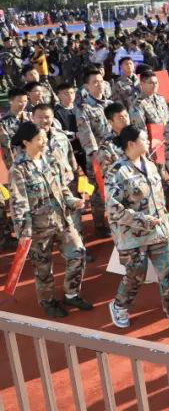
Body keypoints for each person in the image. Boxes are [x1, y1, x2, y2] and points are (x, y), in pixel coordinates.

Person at [105, 126, 169, 332]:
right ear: (131, 144)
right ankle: (119, 306)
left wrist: (165, 224)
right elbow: (113, 209)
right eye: (144, 139)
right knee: (136, 274)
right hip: (133, 235)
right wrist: (142, 220)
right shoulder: (117, 172)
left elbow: (159, 200)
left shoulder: (151, 165)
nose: (148, 142)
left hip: (159, 232)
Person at [8, 121, 90, 318]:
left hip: (62, 220)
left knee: (78, 254)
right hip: (38, 229)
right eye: (39, 139)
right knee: (44, 269)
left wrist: (72, 201)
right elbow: (19, 203)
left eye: (44, 137)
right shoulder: (18, 169)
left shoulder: (50, 160)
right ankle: (48, 301)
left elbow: (60, 188)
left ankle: (71, 293)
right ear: (26, 142)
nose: (44, 141)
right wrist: (24, 233)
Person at [74, 68, 111, 234]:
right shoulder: (84, 108)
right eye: (94, 82)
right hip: (96, 157)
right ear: (87, 87)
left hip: (113, 155)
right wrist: (95, 154)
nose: (99, 85)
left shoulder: (110, 105)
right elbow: (85, 133)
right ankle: (99, 223)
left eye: (101, 81)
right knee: (96, 191)